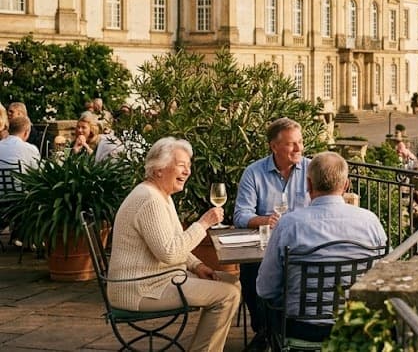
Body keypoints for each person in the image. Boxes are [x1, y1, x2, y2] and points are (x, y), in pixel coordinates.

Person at [108, 137, 240, 351]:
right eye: (181, 165)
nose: (187, 171)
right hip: (140, 289)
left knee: (231, 282)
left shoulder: (162, 196)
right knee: (227, 295)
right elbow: (170, 253)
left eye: (189, 166)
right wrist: (203, 223)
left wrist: (197, 266)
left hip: (159, 280)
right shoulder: (149, 199)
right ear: (159, 169)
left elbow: (174, 241)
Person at [257, 152, 387, 342]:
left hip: (302, 329)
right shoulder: (370, 222)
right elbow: (384, 275)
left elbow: (265, 289)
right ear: (346, 185)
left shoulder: (288, 225)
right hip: (357, 326)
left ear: (308, 184)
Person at [234, 117, 312, 347]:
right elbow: (240, 216)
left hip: (302, 246)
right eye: (291, 144)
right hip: (266, 247)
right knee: (251, 271)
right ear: (274, 146)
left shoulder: (311, 169)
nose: (298, 148)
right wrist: (266, 220)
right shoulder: (254, 173)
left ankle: (288, 328)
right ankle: (265, 331)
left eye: (300, 142)